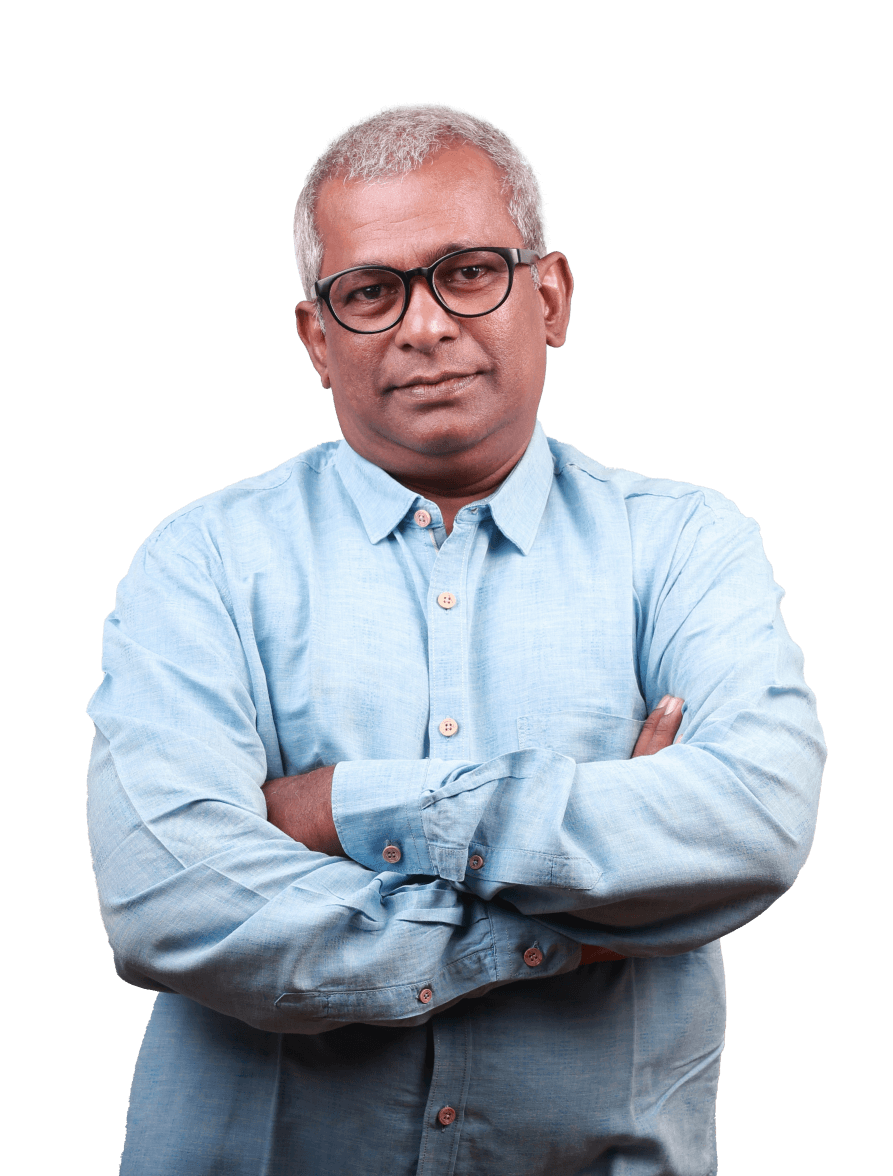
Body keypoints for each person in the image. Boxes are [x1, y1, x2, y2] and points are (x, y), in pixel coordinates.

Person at [87, 103, 825, 1176]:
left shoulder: (683, 544)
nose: (424, 327)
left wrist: (343, 808)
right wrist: (566, 921)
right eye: (370, 292)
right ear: (317, 339)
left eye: (468, 272)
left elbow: (750, 820)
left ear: (549, 296)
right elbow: (172, 907)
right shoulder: (199, 561)